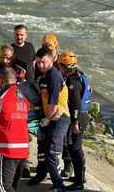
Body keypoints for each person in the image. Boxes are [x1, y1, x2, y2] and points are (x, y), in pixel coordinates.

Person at [28, 47, 70, 192]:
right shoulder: (44, 75)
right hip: (48, 116)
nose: (40, 65)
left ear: (52, 59)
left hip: (59, 118)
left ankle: (59, 186)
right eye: (38, 62)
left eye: (43, 62)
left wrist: (47, 119)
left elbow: (53, 104)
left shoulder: (54, 76)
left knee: (52, 153)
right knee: (43, 149)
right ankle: (41, 175)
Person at [58, 51, 92, 191]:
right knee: (77, 149)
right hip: (83, 116)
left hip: (78, 117)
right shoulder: (80, 75)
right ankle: (80, 177)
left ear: (64, 66)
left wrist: (75, 122)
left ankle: (78, 183)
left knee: (75, 149)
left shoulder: (72, 81)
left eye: (59, 66)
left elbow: (76, 103)